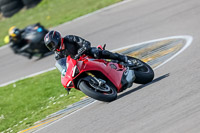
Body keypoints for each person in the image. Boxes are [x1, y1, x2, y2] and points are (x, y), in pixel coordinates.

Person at [44, 30, 136, 66]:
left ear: (57, 39)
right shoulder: (58, 55)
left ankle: (123, 58)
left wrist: (82, 49)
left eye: (52, 44)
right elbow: (64, 67)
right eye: (50, 46)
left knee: (97, 52)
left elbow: (85, 43)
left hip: (86, 53)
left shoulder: (69, 38)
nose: (52, 47)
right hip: (79, 64)